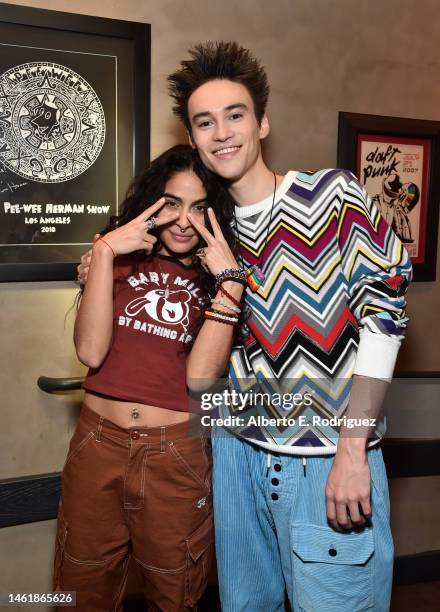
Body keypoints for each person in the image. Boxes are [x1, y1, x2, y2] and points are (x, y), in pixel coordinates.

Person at [78, 42, 412, 612]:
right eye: (205, 122)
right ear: (192, 137)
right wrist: (100, 258)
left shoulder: (330, 194)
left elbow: (385, 319)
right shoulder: (209, 233)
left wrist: (353, 448)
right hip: (235, 461)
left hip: (324, 461)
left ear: (262, 121)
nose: (222, 132)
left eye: (235, 114)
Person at [55, 144, 240, 611]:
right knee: (80, 590)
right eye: (173, 203)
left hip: (176, 453)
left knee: (173, 595)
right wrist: (102, 253)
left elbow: (200, 379)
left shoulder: (219, 275)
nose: (183, 221)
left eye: (199, 208)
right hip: (99, 444)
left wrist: (230, 287)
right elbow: (90, 351)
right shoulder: (117, 258)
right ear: (153, 203)